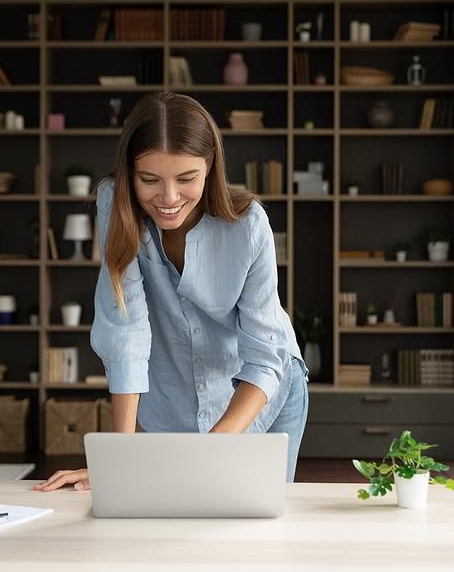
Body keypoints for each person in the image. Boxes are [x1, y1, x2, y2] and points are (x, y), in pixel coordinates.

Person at [34, 92, 308, 492]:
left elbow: (265, 358)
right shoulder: (115, 204)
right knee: (169, 516)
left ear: (209, 164)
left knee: (252, 520)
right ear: (130, 171)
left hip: (258, 397)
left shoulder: (248, 226)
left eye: (186, 179)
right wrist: (118, 460)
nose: (168, 198)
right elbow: (124, 329)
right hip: (172, 394)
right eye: (149, 180)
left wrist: (210, 450)